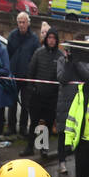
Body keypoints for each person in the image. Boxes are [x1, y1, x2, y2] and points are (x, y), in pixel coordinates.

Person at [55, 35, 89, 176]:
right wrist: (69, 63)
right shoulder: (61, 60)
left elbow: (88, 76)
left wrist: (76, 62)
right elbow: (62, 78)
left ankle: (80, 163)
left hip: (80, 101)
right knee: (63, 132)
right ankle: (62, 162)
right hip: (65, 101)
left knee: (80, 132)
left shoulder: (86, 61)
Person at [26, 28, 63, 156]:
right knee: (34, 122)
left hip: (52, 97)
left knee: (47, 123)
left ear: (56, 40)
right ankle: (30, 147)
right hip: (37, 95)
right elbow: (31, 71)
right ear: (46, 39)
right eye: (49, 38)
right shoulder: (39, 53)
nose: (51, 40)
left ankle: (43, 148)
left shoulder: (60, 56)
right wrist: (32, 88)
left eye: (54, 38)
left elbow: (62, 76)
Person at [7, 12, 39, 139]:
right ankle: (11, 127)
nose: (21, 24)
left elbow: (35, 57)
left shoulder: (34, 38)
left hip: (27, 76)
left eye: (23, 22)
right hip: (14, 75)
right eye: (19, 22)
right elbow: (8, 54)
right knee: (12, 103)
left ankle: (23, 128)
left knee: (26, 104)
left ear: (28, 23)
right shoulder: (12, 36)